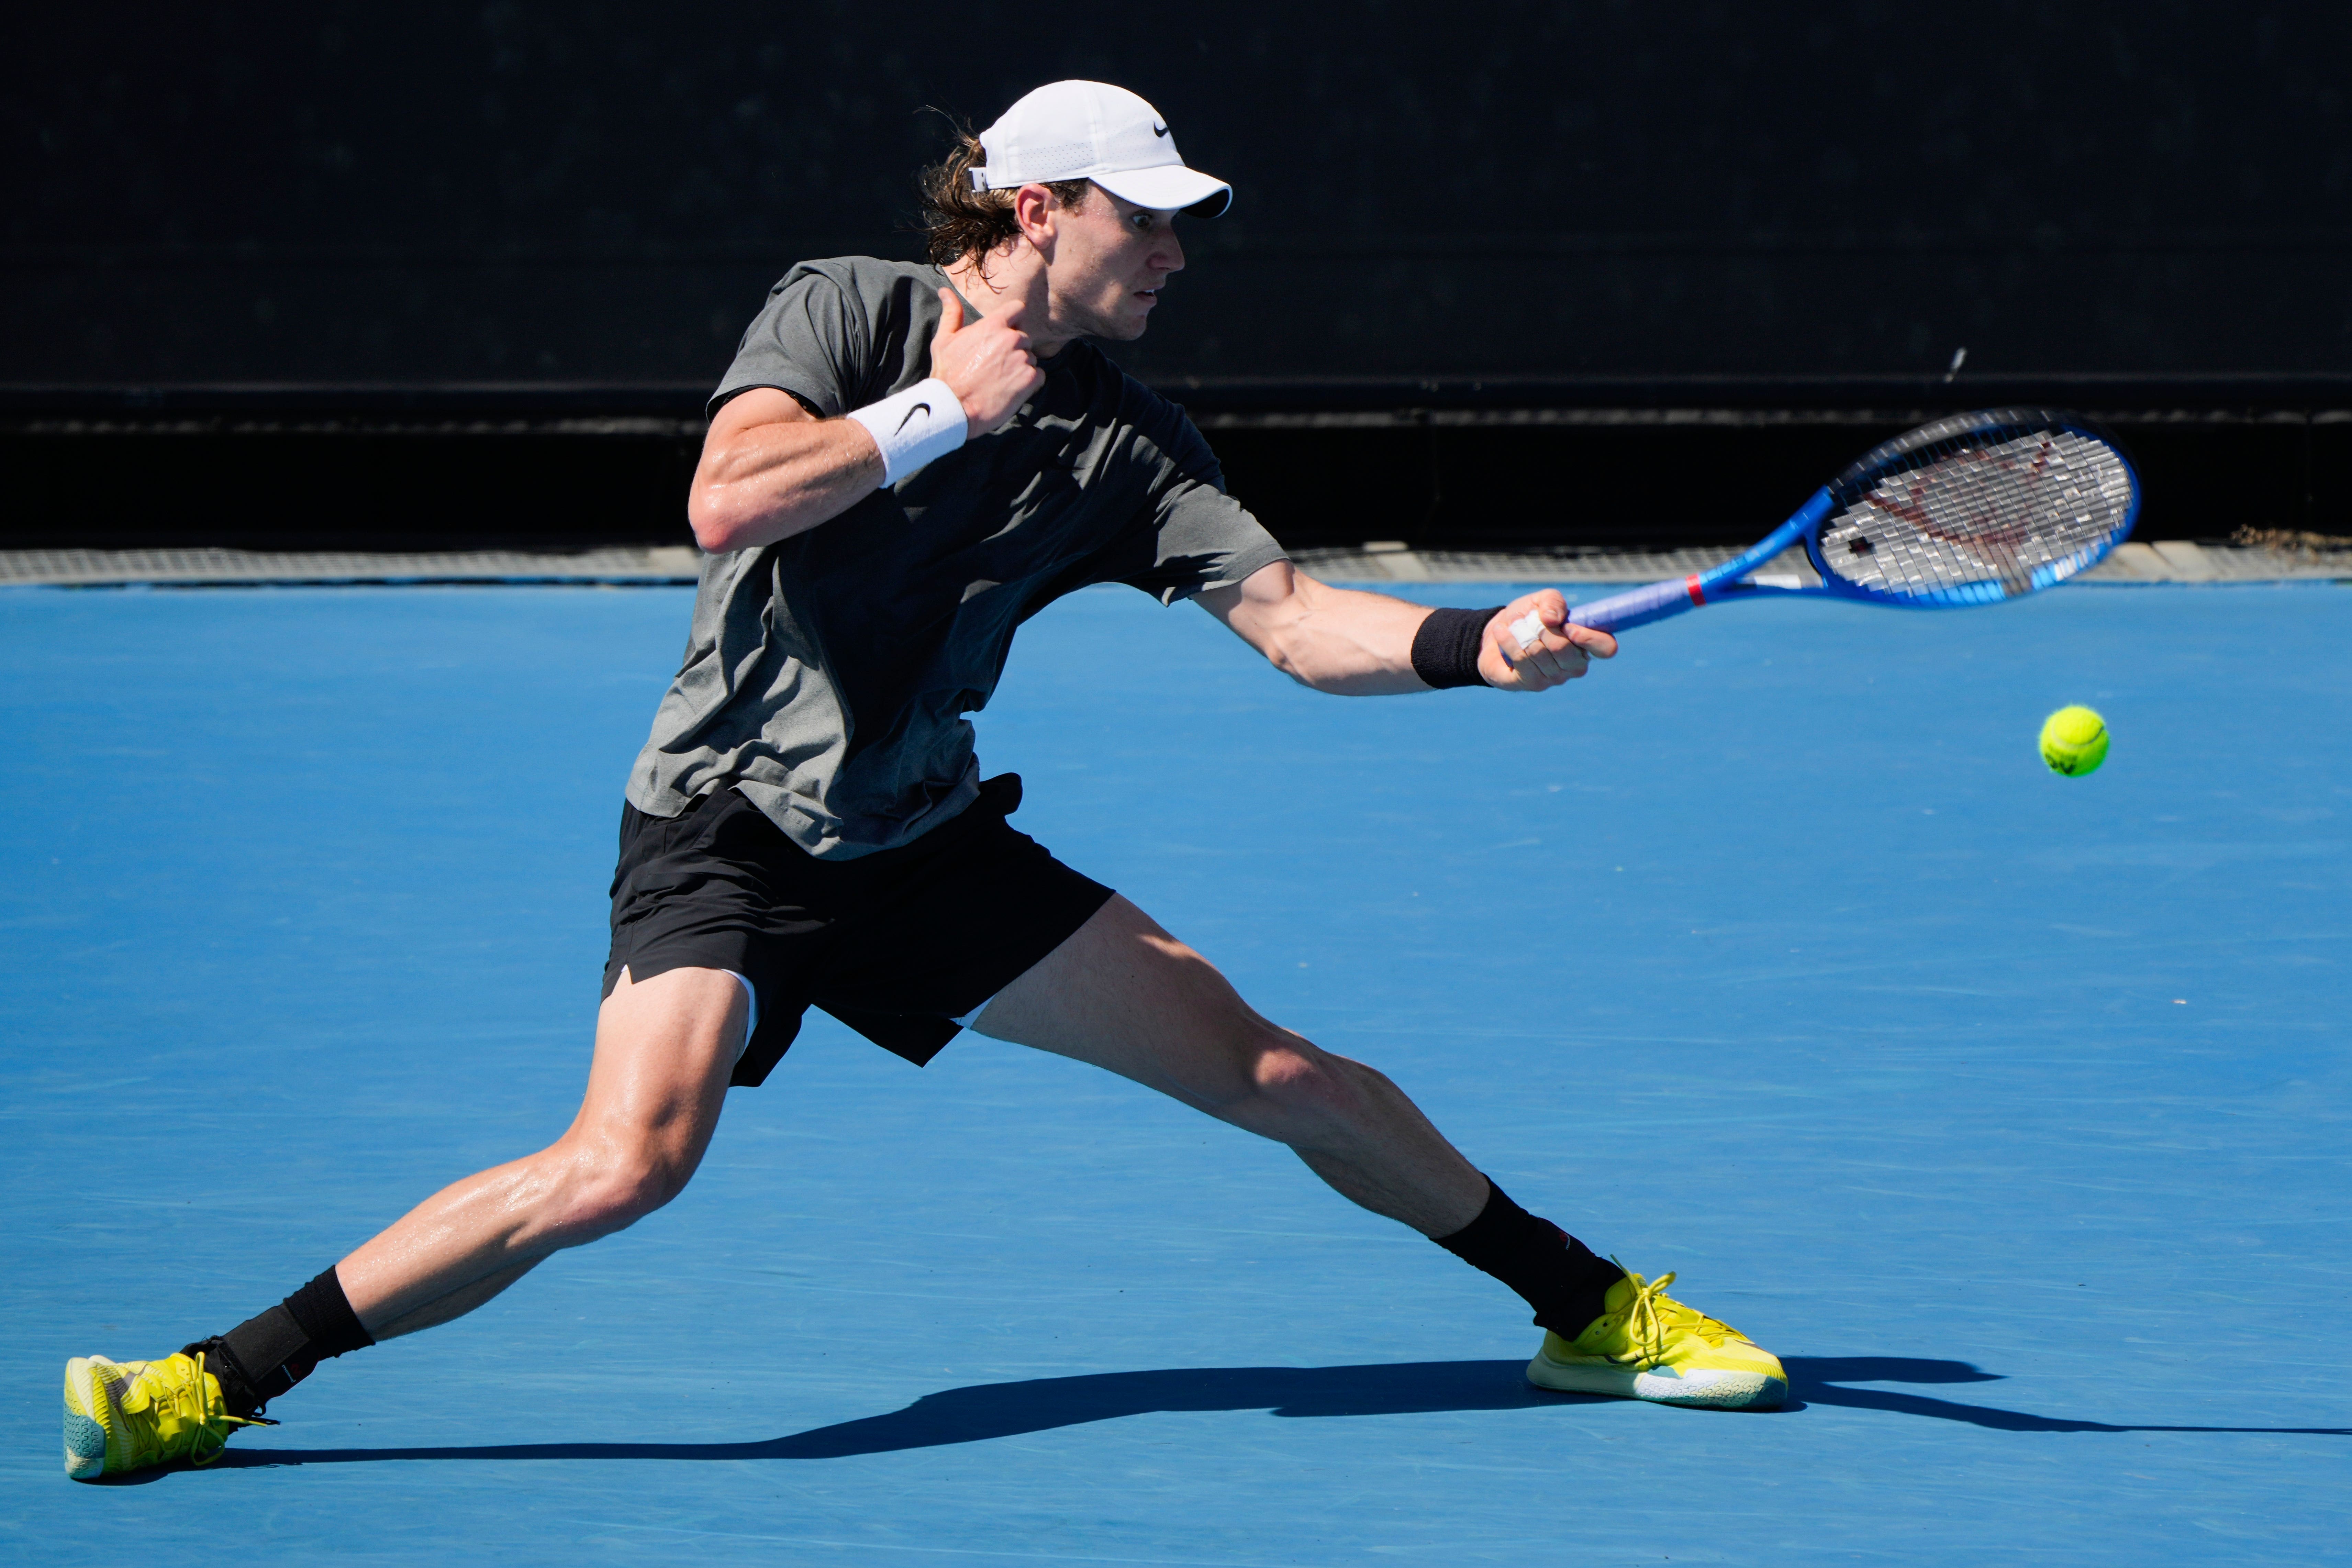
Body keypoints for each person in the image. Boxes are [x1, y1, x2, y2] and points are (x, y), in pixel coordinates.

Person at [62, 80, 1784, 1481]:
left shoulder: (1129, 438)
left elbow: (1293, 619)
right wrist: (931, 416)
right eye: (1148, 216)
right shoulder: (848, 310)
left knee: (1280, 1072)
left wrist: (1472, 645)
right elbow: (727, 502)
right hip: (725, 827)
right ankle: (212, 1380)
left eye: (1188, 221)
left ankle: (1588, 1308)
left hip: (924, 842)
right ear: (1036, 211)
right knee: (624, 1162)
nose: (1180, 249)